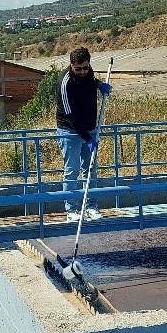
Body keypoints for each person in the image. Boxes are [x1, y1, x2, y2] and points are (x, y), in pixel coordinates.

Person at [55, 46, 111, 222]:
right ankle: (71, 210)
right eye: (78, 69)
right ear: (71, 65)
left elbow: (91, 80)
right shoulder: (65, 83)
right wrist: (88, 139)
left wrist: (99, 84)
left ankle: (91, 207)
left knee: (90, 170)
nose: (82, 72)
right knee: (72, 171)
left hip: (89, 128)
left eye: (85, 68)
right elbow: (70, 116)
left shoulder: (88, 72)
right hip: (69, 130)